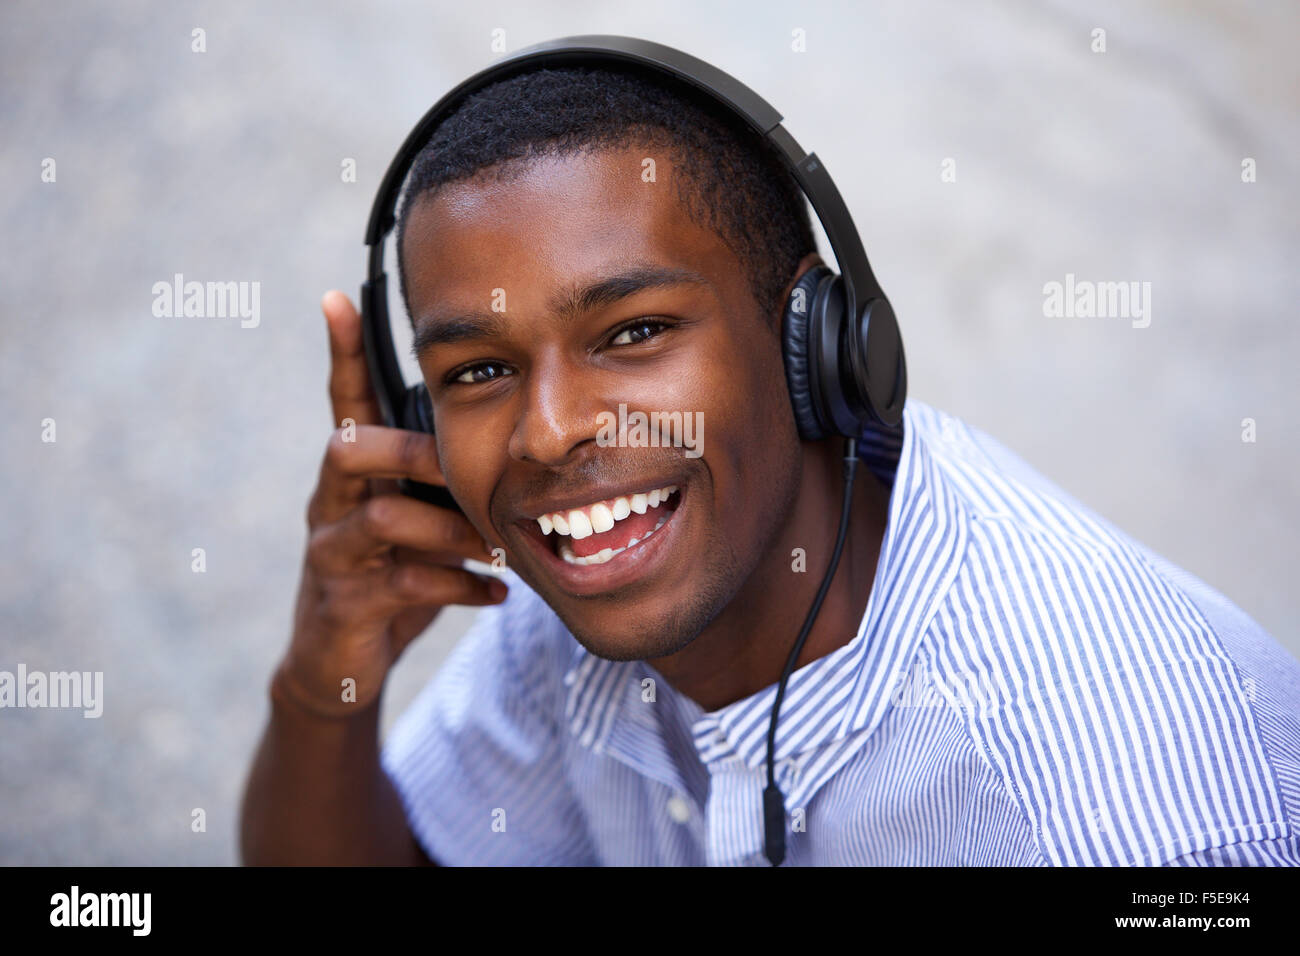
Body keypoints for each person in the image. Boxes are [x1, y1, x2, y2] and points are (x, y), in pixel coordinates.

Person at [239, 65, 1300, 866]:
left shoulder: (1139, 807)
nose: (547, 433)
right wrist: (324, 684)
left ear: (814, 341)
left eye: (633, 331)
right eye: (478, 370)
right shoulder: (582, 588)